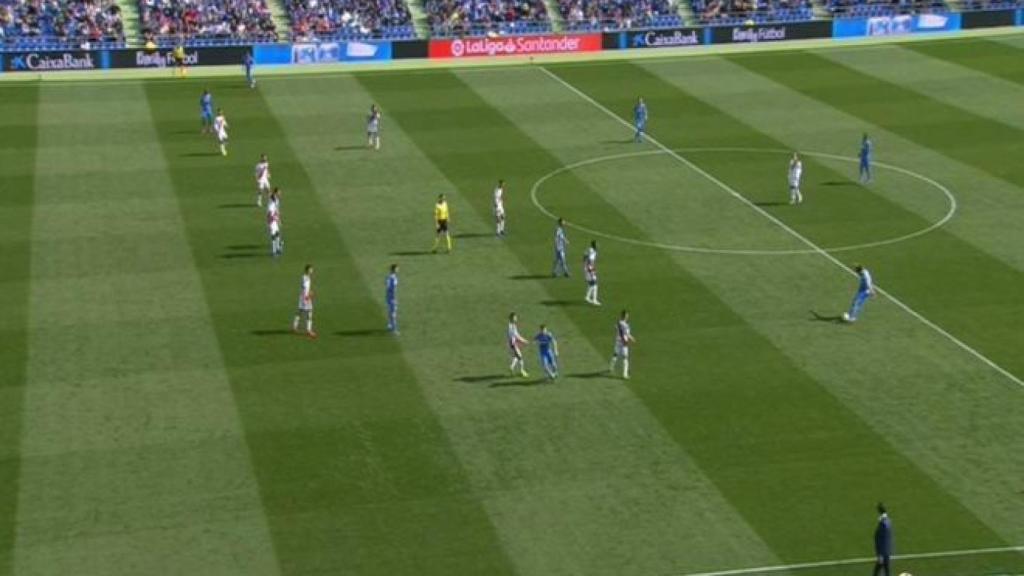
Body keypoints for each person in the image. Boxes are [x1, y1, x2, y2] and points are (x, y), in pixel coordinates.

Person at [292, 264, 317, 338]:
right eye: (311, 269)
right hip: (305, 298)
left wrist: (308, 292)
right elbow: (305, 288)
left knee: (299, 311)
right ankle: (309, 330)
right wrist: (309, 295)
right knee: (309, 312)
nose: (312, 270)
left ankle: (294, 326)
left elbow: (304, 287)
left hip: (302, 297)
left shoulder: (305, 277)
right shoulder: (306, 278)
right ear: (307, 270)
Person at [609, 310, 635, 380]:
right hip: (624, 343)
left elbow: (615, 328)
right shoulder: (626, 325)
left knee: (615, 355)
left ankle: (611, 368)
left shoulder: (618, 323)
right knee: (625, 358)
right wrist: (632, 339)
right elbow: (627, 334)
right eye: (627, 315)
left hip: (618, 341)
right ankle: (625, 374)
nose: (627, 317)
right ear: (625, 316)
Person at [873, 503, 893, 576]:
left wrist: (880, 555)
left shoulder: (883, 524)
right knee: (886, 571)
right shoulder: (888, 522)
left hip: (883, 553)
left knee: (877, 572)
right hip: (886, 552)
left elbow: (881, 540)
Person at [507, 313, 529, 377]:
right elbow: (516, 336)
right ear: (512, 318)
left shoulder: (512, 325)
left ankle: (511, 367)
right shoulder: (512, 326)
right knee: (520, 357)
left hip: (512, 343)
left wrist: (522, 341)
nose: (516, 318)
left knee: (516, 356)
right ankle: (522, 371)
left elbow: (516, 335)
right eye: (515, 317)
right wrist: (524, 341)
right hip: (513, 344)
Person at [267, 189, 283, 257]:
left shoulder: (276, 201)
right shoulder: (272, 203)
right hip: (272, 221)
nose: (280, 194)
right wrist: (272, 220)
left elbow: (277, 211)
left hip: (275, 220)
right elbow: (270, 214)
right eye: (279, 192)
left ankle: (278, 248)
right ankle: (274, 251)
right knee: (273, 235)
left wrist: (279, 219)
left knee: (277, 234)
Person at [584, 240, 600, 306]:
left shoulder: (588, 249)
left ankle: (587, 297)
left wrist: (585, 265)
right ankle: (594, 300)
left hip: (586, 268)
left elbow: (584, 257)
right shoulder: (593, 252)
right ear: (594, 246)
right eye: (596, 245)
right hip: (589, 269)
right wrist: (592, 270)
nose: (598, 246)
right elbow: (591, 261)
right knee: (595, 283)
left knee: (591, 283)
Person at [386, 264, 399, 334]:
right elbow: (393, 289)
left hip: (388, 297)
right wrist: (394, 298)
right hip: (392, 298)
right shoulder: (393, 278)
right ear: (394, 270)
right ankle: (394, 329)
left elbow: (387, 286)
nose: (398, 270)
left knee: (390, 311)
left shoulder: (388, 277)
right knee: (393, 313)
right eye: (397, 269)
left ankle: (390, 325)